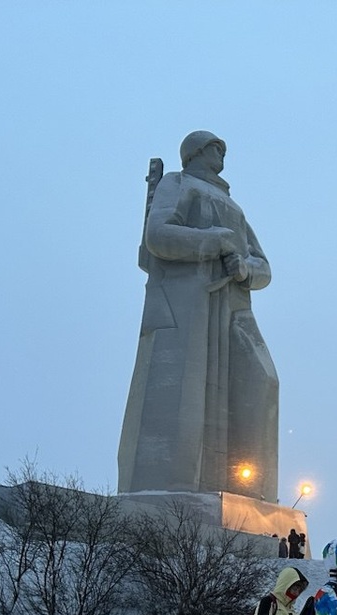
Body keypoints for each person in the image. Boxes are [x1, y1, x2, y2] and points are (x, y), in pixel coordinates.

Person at [119, 131, 278, 500]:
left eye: (222, 148)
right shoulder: (178, 183)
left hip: (234, 310)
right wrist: (214, 241)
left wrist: (243, 268)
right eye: (213, 147)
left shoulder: (233, 206)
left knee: (261, 380)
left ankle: (252, 497)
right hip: (186, 302)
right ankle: (169, 489)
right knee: (182, 396)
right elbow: (157, 234)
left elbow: (264, 267)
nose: (221, 153)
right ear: (194, 152)